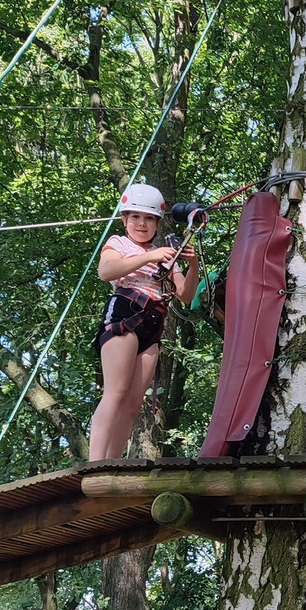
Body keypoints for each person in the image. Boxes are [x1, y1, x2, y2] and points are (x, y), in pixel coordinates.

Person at [88, 183, 199, 461]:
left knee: (133, 402)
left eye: (149, 218)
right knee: (116, 392)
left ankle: (111, 464)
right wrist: (149, 255)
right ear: (125, 220)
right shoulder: (119, 243)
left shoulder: (166, 257)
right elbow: (106, 270)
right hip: (126, 312)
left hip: (153, 323)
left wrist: (192, 265)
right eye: (135, 217)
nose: (141, 223)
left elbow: (185, 295)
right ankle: (94, 462)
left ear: (157, 223)